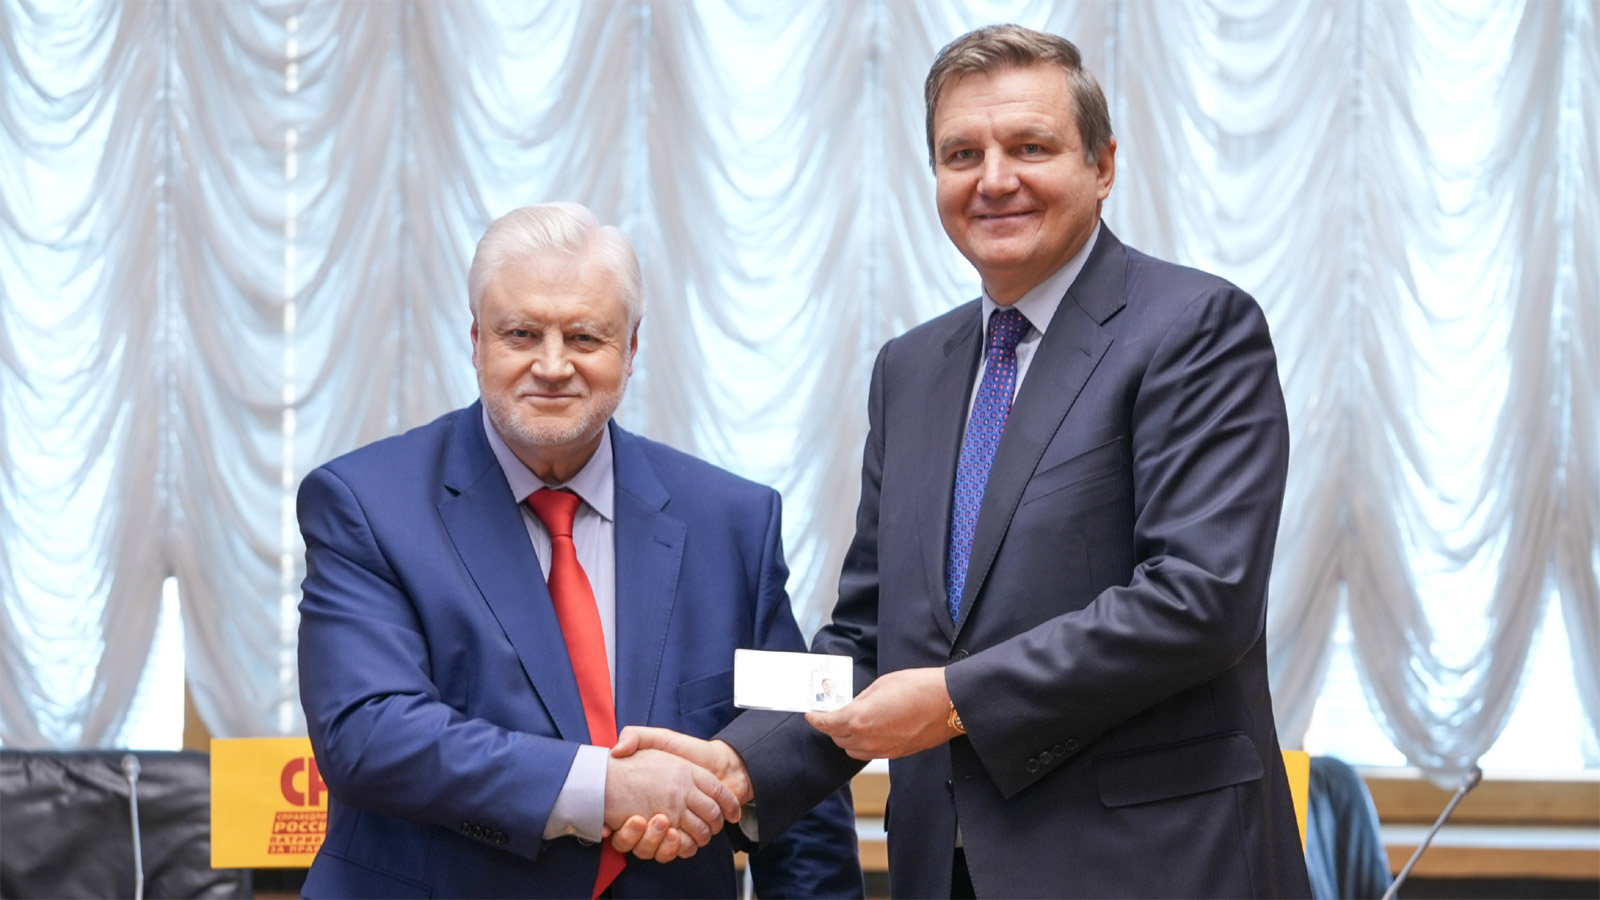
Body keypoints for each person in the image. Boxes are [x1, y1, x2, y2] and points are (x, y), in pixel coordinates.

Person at [611, 24, 1313, 899]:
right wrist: (738, 764)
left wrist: (951, 700)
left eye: (1030, 147)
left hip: (1155, 867)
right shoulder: (911, 370)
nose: (994, 179)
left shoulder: (1195, 329)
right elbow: (871, 638)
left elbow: (1198, 601)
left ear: (1103, 165)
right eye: (962, 154)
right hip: (942, 870)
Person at [296, 203, 863, 899]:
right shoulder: (365, 503)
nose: (553, 364)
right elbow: (369, 733)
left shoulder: (733, 521)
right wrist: (605, 788)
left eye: (585, 336)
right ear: (475, 340)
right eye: (521, 334)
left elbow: (793, 754)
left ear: (631, 348)